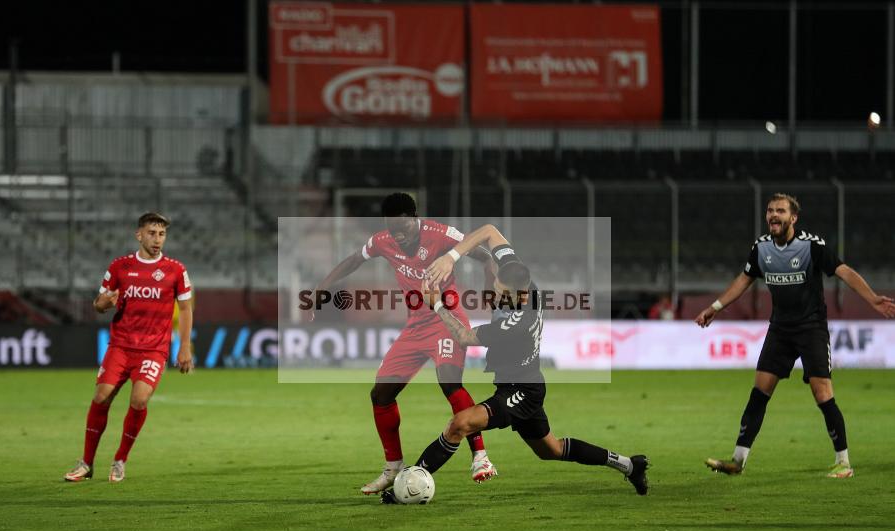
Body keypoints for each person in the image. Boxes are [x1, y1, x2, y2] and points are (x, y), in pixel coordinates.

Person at [383, 224, 650, 503]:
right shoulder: (517, 274)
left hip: (520, 390)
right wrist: (452, 257)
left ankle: (407, 487)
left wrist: (437, 304)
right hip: (525, 383)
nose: (496, 296)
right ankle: (630, 465)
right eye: (497, 288)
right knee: (552, 450)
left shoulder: (516, 324)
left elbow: (463, 337)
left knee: (460, 424)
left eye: (502, 294)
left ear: (521, 296)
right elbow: (489, 231)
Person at [308, 193, 498, 494]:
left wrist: (489, 280)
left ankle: (480, 457)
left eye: (404, 229)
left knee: (450, 382)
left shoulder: (441, 234)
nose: (399, 236)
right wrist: (322, 287)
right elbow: (354, 259)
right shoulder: (383, 241)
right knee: (380, 394)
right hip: (416, 326)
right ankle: (393, 467)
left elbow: (484, 254)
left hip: (446, 318)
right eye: (393, 229)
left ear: (415, 219)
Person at [695, 193, 895, 478]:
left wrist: (873, 299)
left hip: (811, 328)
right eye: (770, 210)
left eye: (780, 210)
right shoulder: (761, 248)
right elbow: (744, 279)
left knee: (822, 393)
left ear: (793, 217)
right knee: (759, 392)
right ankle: (737, 461)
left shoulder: (811, 246)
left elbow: (844, 272)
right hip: (780, 329)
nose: (773, 215)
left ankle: (844, 462)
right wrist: (714, 307)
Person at [64, 212, 194, 483]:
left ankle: (120, 460)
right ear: (139, 235)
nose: (157, 239)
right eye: (152, 233)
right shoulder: (120, 266)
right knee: (101, 397)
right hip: (121, 346)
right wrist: (104, 303)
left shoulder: (175, 270)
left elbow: (185, 308)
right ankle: (86, 463)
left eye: (162, 234)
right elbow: (98, 303)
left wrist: (184, 347)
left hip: (154, 349)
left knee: (139, 400)